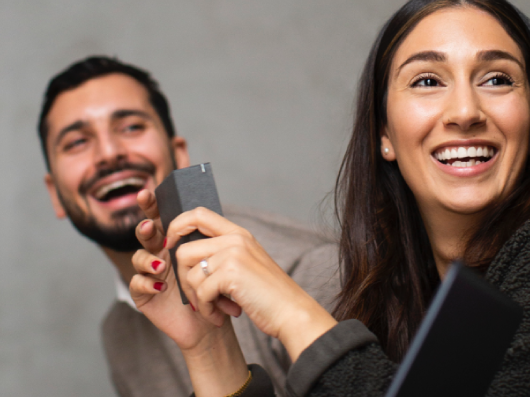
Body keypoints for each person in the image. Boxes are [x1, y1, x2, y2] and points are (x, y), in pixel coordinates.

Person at [130, 0, 530, 395]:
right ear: (384, 135)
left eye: (497, 79)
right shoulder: (399, 314)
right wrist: (209, 347)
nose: (465, 110)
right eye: (426, 81)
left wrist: (292, 310)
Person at [38, 56, 339, 397]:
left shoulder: (310, 270)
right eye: (77, 142)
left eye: (132, 127)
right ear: (55, 195)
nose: (108, 153)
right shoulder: (118, 333)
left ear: (180, 155)